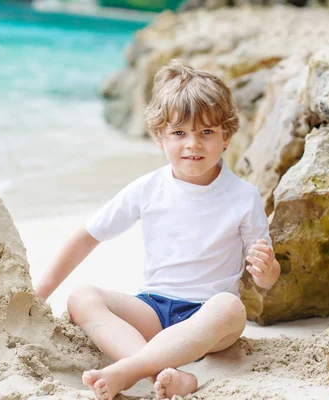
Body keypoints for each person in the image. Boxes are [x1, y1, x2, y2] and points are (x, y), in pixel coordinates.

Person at [34, 59, 281, 400]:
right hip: (154, 310)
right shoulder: (147, 188)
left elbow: (265, 280)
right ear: (159, 138)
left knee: (230, 307)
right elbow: (87, 235)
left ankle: (130, 368)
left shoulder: (244, 197)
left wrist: (267, 270)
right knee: (81, 297)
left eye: (206, 132)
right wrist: (39, 295)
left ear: (227, 136)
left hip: (207, 322)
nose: (192, 143)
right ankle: (169, 376)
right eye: (179, 133)